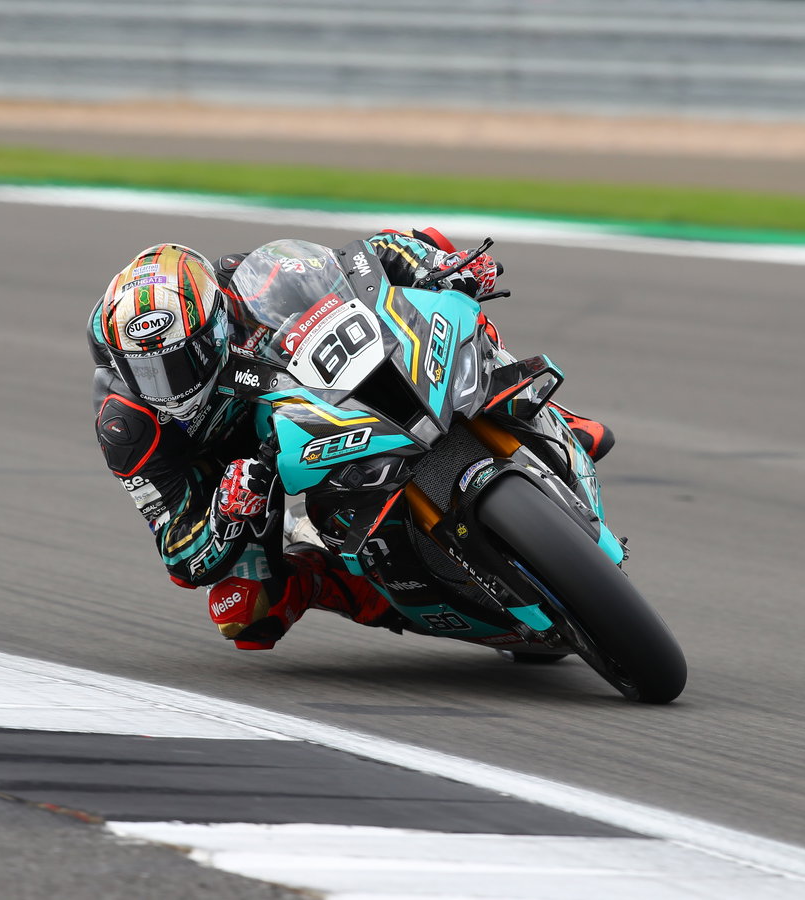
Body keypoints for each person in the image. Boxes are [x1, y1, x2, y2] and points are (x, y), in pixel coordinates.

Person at [88, 229, 614, 650]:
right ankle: (372, 591)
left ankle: (530, 408)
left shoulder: (243, 283)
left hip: (310, 398)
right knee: (245, 610)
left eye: (182, 361)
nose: (171, 386)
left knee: (441, 276)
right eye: (149, 372)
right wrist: (224, 518)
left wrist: (430, 263)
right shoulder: (127, 428)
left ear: (215, 327)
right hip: (241, 474)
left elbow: (362, 261)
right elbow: (179, 554)